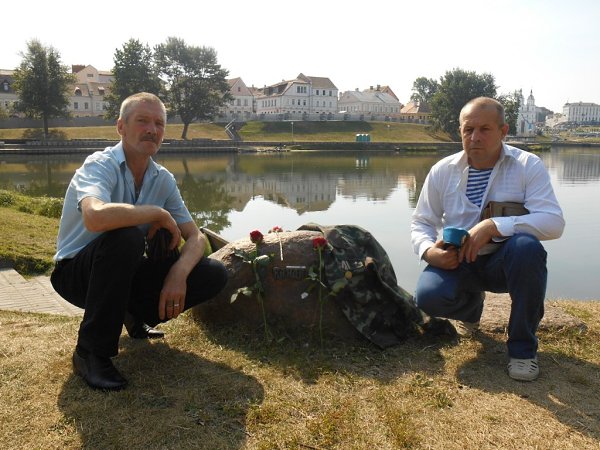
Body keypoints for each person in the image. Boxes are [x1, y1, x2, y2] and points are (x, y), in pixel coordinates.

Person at [51, 92, 228, 391]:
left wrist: (178, 275)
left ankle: (132, 315)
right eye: (142, 121)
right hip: (76, 274)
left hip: (123, 272)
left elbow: (196, 237)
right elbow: (94, 217)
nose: (152, 130)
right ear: (121, 127)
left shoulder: (163, 178)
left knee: (213, 273)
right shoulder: (99, 165)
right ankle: (90, 352)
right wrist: (156, 213)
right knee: (127, 236)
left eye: (159, 123)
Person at [411, 97, 564, 381]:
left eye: (484, 129)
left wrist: (494, 226)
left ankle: (522, 350)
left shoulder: (527, 165)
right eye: (468, 130)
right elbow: (422, 221)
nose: (475, 137)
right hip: (458, 261)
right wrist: (429, 252)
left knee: (527, 248)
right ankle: (471, 310)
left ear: (503, 131)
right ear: (460, 131)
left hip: (506, 262)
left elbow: (554, 223)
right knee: (428, 297)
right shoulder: (442, 170)